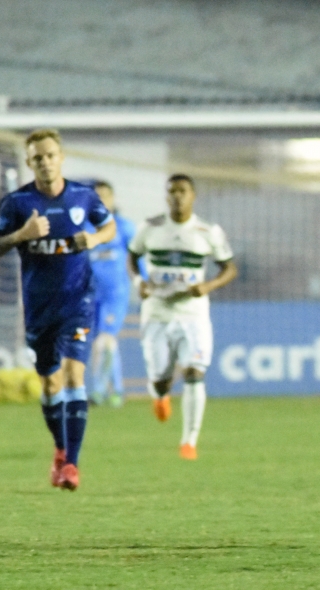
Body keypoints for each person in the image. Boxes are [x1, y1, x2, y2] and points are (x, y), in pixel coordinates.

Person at [0, 128, 117, 491]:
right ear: (29, 163)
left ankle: (71, 464)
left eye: (50, 155)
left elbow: (109, 226)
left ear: (61, 157)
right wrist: (20, 236)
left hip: (78, 301)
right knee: (50, 382)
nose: (45, 162)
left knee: (74, 376)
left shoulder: (82, 197)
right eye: (37, 157)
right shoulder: (17, 204)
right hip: (40, 308)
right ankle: (60, 447)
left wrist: (95, 238)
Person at [127, 174, 237, 460]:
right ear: (166, 196)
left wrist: (208, 286)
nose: (177, 196)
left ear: (193, 195)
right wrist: (138, 282)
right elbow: (131, 257)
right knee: (161, 378)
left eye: (182, 191)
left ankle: (189, 441)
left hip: (193, 315)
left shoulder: (207, 231)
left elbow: (229, 268)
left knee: (194, 372)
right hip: (157, 314)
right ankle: (161, 395)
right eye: (172, 191)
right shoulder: (150, 228)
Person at [88, 181, 139, 407]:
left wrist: (143, 281)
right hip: (91, 295)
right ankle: (117, 390)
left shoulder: (124, 227)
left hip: (115, 294)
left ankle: (98, 392)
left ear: (113, 198)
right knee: (105, 343)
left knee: (105, 341)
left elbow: (138, 257)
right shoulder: (86, 229)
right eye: (97, 196)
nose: (102, 201)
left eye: (105, 196)